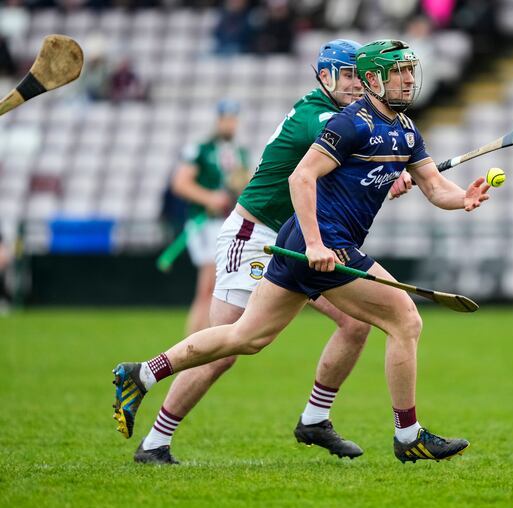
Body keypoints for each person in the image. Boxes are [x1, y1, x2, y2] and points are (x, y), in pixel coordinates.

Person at [113, 39, 489, 464]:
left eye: (408, 72)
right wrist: (316, 241)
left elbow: (434, 187)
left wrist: (463, 198)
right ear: (364, 79)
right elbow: (303, 177)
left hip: (294, 236)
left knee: (249, 338)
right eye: (395, 72)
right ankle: (408, 436)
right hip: (283, 237)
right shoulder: (338, 119)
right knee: (405, 319)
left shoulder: (404, 128)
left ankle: (142, 373)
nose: (406, 80)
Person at [170, 100, 250, 336]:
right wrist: (209, 198)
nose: (230, 124)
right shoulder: (201, 149)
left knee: (216, 288)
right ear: (218, 120)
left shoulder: (239, 152)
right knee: (208, 288)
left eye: (233, 119)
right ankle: (194, 344)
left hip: (229, 224)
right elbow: (180, 183)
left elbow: (245, 184)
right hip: (205, 223)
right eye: (226, 119)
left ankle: (203, 342)